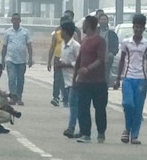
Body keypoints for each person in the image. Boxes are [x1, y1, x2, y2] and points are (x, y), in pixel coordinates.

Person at [114, 14, 147, 144]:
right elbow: (121, 61)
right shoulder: (126, 43)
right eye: (136, 27)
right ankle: (127, 128)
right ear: (133, 27)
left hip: (141, 79)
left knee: (138, 108)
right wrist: (118, 78)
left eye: (140, 27)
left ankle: (134, 135)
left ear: (143, 29)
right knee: (128, 104)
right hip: (128, 78)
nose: (137, 30)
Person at [73, 15, 109, 143]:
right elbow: (79, 59)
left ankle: (101, 132)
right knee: (83, 108)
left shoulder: (100, 41)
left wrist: (88, 69)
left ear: (88, 25)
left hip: (98, 81)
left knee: (99, 108)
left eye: (84, 24)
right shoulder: (84, 40)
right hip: (83, 81)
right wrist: (75, 77)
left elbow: (101, 59)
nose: (82, 27)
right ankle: (85, 133)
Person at [0, 13, 33, 104]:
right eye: (14, 19)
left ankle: (19, 97)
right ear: (12, 20)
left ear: (20, 20)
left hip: (21, 60)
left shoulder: (25, 32)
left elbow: (29, 45)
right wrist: (2, 60)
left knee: (20, 79)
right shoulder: (8, 32)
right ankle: (13, 97)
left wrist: (30, 58)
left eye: (17, 19)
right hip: (10, 59)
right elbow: (4, 46)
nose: (16, 21)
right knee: (12, 78)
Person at [57, 21, 83, 138]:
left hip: (76, 79)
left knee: (73, 104)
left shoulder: (76, 46)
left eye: (62, 30)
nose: (60, 32)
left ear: (66, 32)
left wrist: (66, 65)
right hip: (67, 79)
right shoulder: (63, 44)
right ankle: (82, 128)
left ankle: (71, 127)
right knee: (76, 105)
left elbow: (80, 62)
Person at [47, 11, 73, 106]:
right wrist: (49, 61)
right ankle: (56, 97)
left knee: (67, 79)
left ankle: (66, 98)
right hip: (58, 58)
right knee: (57, 78)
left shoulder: (73, 34)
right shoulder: (56, 34)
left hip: (69, 59)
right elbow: (52, 47)